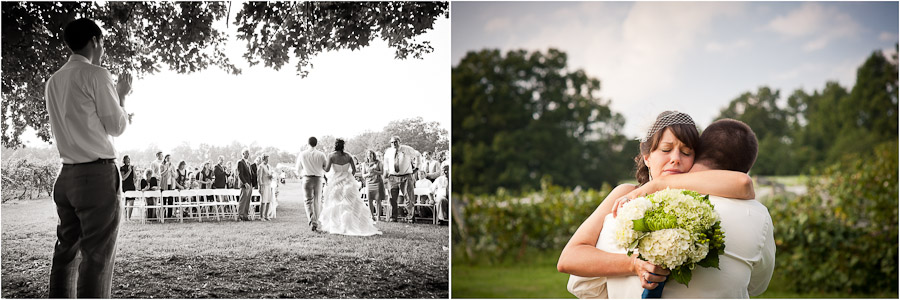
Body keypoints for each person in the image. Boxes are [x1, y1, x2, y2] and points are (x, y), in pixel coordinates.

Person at [557, 111, 756, 297]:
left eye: (687, 152)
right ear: (647, 157)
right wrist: (633, 265)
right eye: (666, 149)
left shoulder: (701, 195)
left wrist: (660, 184)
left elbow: (744, 183)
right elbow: (569, 258)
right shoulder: (625, 193)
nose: (676, 159)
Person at [45, 17, 133, 298]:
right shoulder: (97, 75)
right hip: (96, 176)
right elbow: (116, 127)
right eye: (103, 42)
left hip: (66, 176)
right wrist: (121, 97)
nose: (103, 48)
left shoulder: (53, 81)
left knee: (65, 254)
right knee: (96, 258)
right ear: (95, 41)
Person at [320, 139, 383, 236]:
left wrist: (322, 165)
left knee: (335, 203)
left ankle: (337, 225)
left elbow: (327, 169)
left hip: (336, 181)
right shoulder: (348, 156)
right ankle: (351, 224)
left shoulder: (331, 156)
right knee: (350, 203)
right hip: (348, 180)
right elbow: (353, 170)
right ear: (343, 146)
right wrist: (348, 176)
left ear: (335, 146)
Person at [382, 136, 421, 223]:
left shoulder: (407, 149)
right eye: (392, 142)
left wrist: (417, 167)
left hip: (406, 176)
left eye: (396, 142)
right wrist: (386, 173)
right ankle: (393, 217)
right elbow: (386, 163)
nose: (394, 144)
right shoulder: (388, 152)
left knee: (409, 198)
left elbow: (418, 154)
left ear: (399, 142)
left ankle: (410, 217)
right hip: (393, 177)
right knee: (392, 198)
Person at [297, 137, 328, 232]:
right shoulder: (321, 154)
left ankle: (312, 221)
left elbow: (298, 169)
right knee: (317, 201)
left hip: (307, 178)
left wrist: (300, 176)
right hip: (318, 179)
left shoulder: (302, 154)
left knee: (308, 201)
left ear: (308, 143)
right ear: (316, 143)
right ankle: (315, 222)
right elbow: (326, 168)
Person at [363, 149, 386, 221]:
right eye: (368, 154)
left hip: (377, 182)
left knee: (378, 200)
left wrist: (375, 171)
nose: (369, 155)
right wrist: (368, 174)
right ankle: (372, 215)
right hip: (369, 183)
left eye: (371, 154)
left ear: (373, 155)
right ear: (366, 155)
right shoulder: (364, 164)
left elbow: (382, 172)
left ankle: (378, 216)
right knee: (369, 199)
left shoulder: (378, 162)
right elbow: (363, 175)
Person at [237, 149, 253, 221]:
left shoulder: (248, 163)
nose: (247, 155)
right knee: (243, 200)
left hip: (250, 184)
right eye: (246, 153)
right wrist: (245, 183)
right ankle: (240, 215)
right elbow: (240, 174)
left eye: (248, 153)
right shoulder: (240, 162)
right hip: (244, 184)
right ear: (243, 154)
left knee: (247, 200)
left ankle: (245, 216)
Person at [257, 153, 275, 221]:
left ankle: (267, 215)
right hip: (264, 185)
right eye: (266, 159)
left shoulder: (269, 166)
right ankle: (261, 216)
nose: (267, 160)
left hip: (269, 184)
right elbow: (259, 177)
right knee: (263, 201)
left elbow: (270, 173)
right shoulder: (261, 166)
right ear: (263, 159)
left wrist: (271, 176)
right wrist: (260, 186)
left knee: (268, 200)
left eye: (268, 159)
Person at [121, 155, 136, 220]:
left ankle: (129, 217)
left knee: (132, 202)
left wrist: (133, 170)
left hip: (131, 186)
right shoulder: (122, 168)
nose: (128, 160)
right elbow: (123, 178)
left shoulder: (131, 168)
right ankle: (125, 217)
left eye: (129, 159)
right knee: (125, 202)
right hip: (125, 186)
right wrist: (129, 171)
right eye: (127, 159)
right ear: (124, 160)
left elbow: (135, 177)